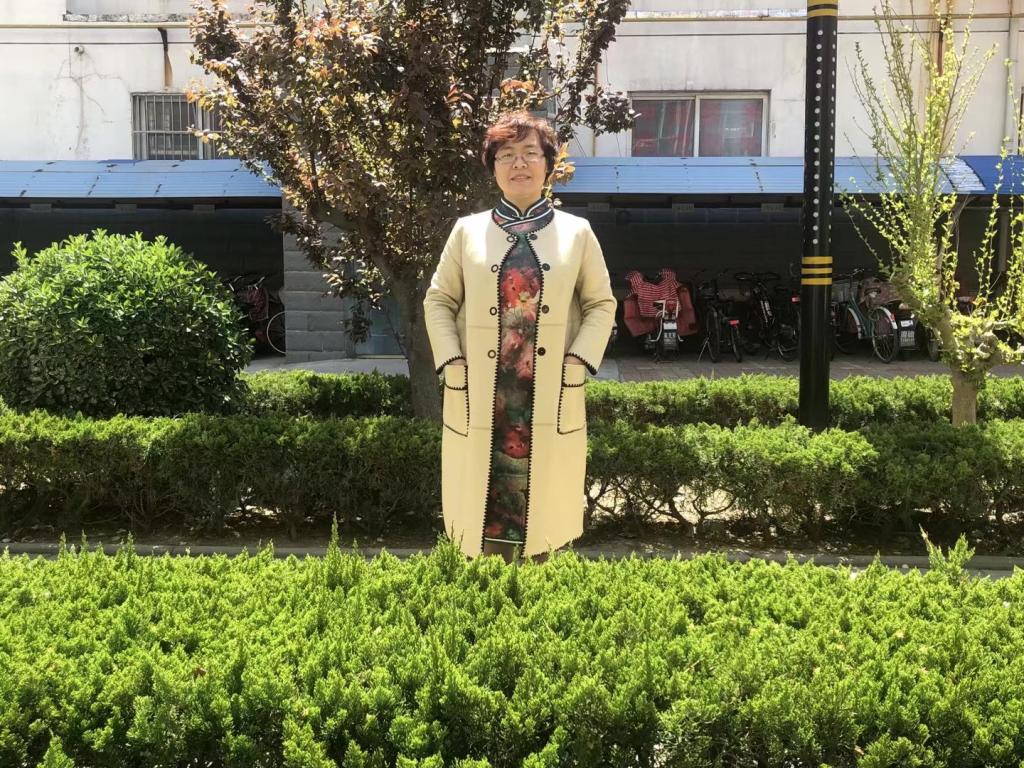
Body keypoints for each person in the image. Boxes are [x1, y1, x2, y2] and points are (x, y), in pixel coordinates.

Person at [422, 111, 616, 564]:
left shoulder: (577, 233)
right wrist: (452, 362)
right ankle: (485, 583)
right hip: (481, 393)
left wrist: (576, 362)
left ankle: (536, 582)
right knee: (478, 511)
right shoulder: (467, 231)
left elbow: (601, 304)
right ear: (493, 166)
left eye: (531, 153)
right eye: (506, 154)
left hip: (548, 392)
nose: (519, 164)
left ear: (548, 164)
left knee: (544, 517)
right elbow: (438, 300)